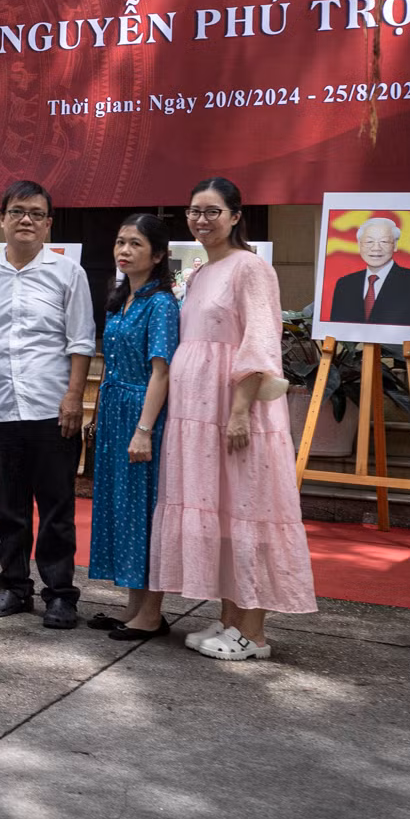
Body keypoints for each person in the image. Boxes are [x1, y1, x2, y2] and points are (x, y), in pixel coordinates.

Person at [152, 177, 316, 661]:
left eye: (212, 211)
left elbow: (260, 341)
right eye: (194, 211)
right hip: (197, 412)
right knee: (223, 512)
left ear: (236, 216)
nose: (201, 220)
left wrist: (241, 410)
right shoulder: (202, 272)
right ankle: (229, 619)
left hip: (233, 409)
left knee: (249, 509)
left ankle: (254, 632)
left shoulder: (251, 268)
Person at [0, 181, 94, 630]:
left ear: (48, 224)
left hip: (52, 408)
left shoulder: (68, 274)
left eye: (36, 214)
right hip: (2, 405)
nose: (26, 220)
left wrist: (74, 396)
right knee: (10, 506)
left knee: (57, 507)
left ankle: (60, 594)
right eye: (18, 211)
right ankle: (15, 587)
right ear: (1, 219)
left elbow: (81, 341)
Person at [86, 213, 180, 641]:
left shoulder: (161, 304)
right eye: (120, 242)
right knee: (123, 509)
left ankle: (152, 613)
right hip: (114, 410)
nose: (124, 250)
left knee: (144, 510)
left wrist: (144, 429)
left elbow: (162, 371)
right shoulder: (122, 295)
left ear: (158, 255)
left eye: (136, 244)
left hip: (143, 413)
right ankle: (133, 607)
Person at [328, 216, 410, 326]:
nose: (376, 248)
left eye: (384, 241)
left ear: (395, 245)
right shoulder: (345, 284)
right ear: (359, 245)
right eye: (369, 241)